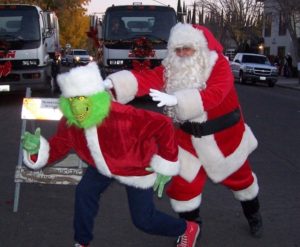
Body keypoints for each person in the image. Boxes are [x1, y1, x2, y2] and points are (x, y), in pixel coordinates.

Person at [103, 23, 263, 238]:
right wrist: (113, 85)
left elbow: (216, 93)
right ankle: (190, 230)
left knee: (243, 183)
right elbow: (148, 78)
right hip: (188, 140)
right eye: (177, 50)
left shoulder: (219, 66)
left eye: (186, 48)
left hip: (224, 139)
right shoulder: (172, 69)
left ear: (199, 48)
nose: (182, 54)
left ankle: (254, 216)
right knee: (182, 189)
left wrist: (178, 99)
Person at [21, 62, 200, 247]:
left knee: (143, 220)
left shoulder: (122, 115)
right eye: (73, 100)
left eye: (82, 98)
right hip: (103, 165)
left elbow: (162, 124)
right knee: (84, 192)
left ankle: (186, 228)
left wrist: (166, 162)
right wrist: (37, 151)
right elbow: (59, 145)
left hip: (135, 167)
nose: (76, 107)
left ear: (94, 97)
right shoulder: (71, 121)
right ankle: (82, 242)